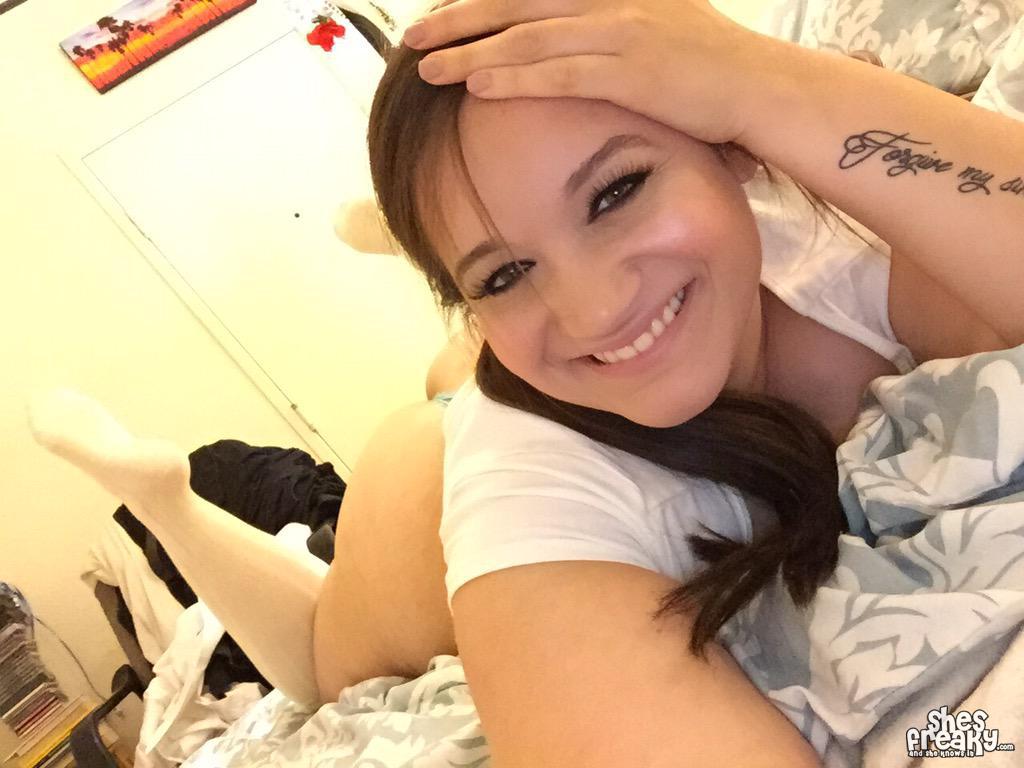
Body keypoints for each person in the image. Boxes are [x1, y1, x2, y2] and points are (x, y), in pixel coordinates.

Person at [29, 1, 1024, 765]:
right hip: (429, 469)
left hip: (533, 371)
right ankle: (165, 502)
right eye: (503, 273)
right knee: (328, 660)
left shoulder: (820, 229)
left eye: (616, 190)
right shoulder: (521, 493)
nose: (595, 309)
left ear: (730, 147)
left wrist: (759, 76)